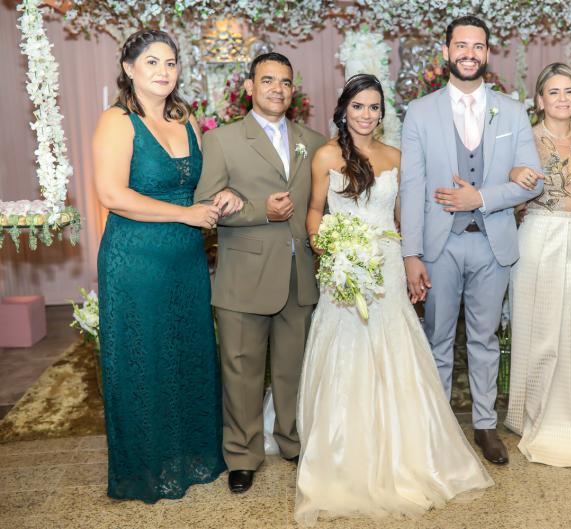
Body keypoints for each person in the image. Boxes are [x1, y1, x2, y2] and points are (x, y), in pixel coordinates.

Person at [295, 74, 493, 526]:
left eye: (374, 107)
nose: (366, 115)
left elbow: (406, 219)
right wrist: (327, 248)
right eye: (358, 106)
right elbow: (315, 211)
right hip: (343, 271)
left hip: (385, 267)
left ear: (383, 113)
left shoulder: (396, 157)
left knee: (396, 351)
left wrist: (412, 262)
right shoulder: (326, 155)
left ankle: (408, 454)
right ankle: (342, 455)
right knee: (346, 352)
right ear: (343, 110)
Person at [93, 29, 241, 502]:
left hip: (186, 261)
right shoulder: (117, 121)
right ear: (129, 68)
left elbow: (202, 183)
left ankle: (191, 457)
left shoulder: (185, 117)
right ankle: (146, 467)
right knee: (147, 360)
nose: (163, 71)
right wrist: (185, 214)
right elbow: (112, 195)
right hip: (136, 261)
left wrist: (222, 193)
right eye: (152, 62)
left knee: (187, 355)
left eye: (171, 63)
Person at [400, 15, 543, 465]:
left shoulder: (512, 111)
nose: (469, 53)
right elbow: (412, 187)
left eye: (477, 46)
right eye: (461, 45)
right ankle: (440, 426)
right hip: (439, 245)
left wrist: (479, 198)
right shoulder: (420, 112)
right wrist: (410, 253)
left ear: (487, 53)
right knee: (437, 337)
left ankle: (485, 424)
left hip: (492, 242)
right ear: (446, 52)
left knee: (485, 339)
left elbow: (533, 181)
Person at [194, 52, 326, 493]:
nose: (277, 89)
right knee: (241, 372)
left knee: (294, 370)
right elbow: (206, 207)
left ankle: (292, 441)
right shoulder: (222, 140)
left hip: (298, 276)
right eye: (267, 80)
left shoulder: (313, 141)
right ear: (249, 87)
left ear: (294, 90)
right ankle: (242, 455)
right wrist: (260, 211)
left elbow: (322, 206)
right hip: (244, 277)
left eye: (285, 82)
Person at [504, 63, 571, 472]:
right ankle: (536, 415)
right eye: (553, 92)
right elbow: (508, 188)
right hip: (540, 238)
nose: (562, 99)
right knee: (542, 330)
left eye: (569, 91)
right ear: (539, 99)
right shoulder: (525, 139)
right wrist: (514, 175)